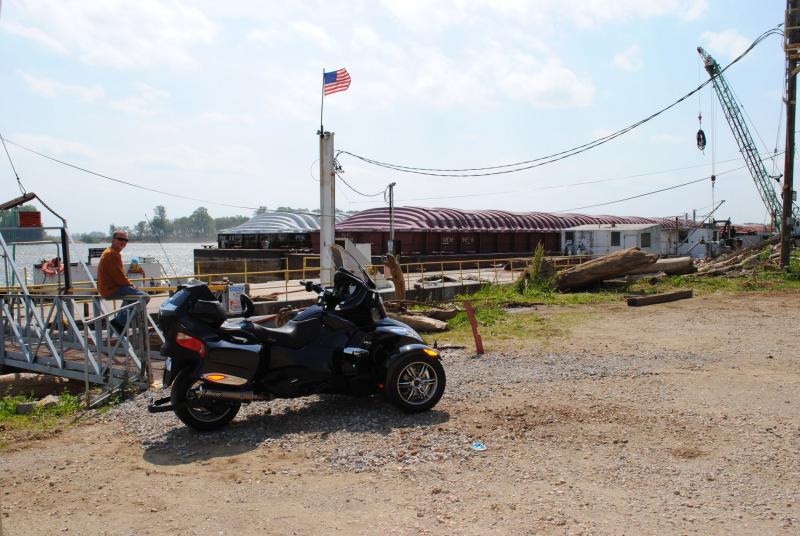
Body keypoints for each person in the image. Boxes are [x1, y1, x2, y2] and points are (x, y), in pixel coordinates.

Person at [97, 230, 150, 333]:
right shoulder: (112, 254)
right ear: (113, 240)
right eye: (120, 239)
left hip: (107, 288)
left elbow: (118, 276)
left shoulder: (110, 252)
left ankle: (120, 323)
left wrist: (129, 286)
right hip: (112, 289)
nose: (123, 242)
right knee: (144, 297)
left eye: (126, 240)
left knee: (131, 299)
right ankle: (118, 323)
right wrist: (131, 285)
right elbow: (118, 276)